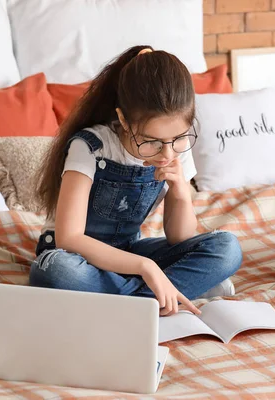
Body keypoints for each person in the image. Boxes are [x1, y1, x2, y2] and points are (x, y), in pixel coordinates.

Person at [31, 45, 242, 316]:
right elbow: (68, 238)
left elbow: (180, 237)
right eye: (152, 142)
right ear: (123, 119)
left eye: (177, 139)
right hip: (76, 256)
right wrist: (147, 268)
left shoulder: (177, 148)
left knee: (227, 248)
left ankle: (138, 297)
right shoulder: (92, 146)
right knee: (57, 272)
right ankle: (172, 292)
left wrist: (179, 189)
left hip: (128, 250)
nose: (166, 153)